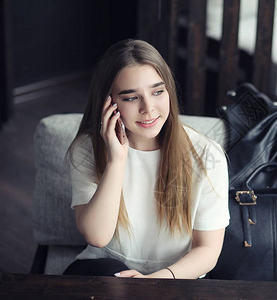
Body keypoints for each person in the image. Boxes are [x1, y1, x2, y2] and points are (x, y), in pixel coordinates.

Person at [63, 39, 229, 279]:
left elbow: (208, 249)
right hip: (106, 271)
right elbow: (97, 237)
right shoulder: (87, 149)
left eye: (158, 91)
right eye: (131, 97)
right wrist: (116, 160)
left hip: (175, 277)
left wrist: (154, 282)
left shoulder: (206, 154)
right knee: (111, 272)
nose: (148, 108)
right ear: (108, 103)